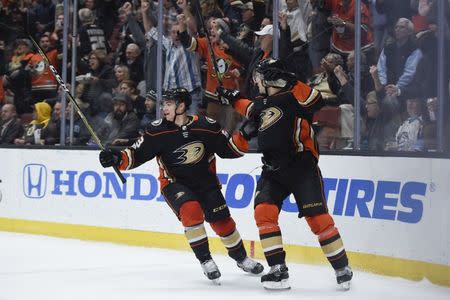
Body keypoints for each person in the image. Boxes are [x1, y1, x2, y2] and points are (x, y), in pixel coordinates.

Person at [98, 88, 263, 283]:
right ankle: (206, 260)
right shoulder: (156, 130)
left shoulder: (206, 126)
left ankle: (241, 258)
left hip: (206, 183)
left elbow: (229, 150)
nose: (163, 108)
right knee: (190, 210)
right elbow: (135, 155)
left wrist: (243, 135)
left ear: (182, 106)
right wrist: (116, 157)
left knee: (222, 221)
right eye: (163, 104)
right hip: (174, 183)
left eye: (168, 104)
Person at [217, 58, 353, 290]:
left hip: (302, 168)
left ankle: (342, 267)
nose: (256, 81)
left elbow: (315, 99)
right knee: (264, 212)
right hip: (273, 170)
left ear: (269, 77)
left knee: (318, 219)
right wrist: (231, 97)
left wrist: (289, 79)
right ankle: (278, 270)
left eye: (259, 76)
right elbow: (249, 108)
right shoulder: (262, 103)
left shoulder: (295, 97)